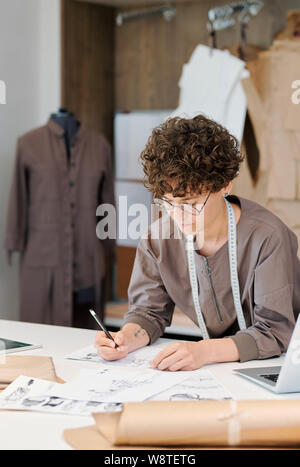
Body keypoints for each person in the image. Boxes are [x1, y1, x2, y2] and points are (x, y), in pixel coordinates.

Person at [95, 115, 300, 371]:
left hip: (278, 366)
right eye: (168, 203)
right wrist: (126, 338)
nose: (179, 216)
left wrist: (204, 351)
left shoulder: (268, 237)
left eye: (191, 204)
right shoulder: (157, 239)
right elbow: (148, 313)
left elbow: (275, 331)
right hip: (215, 367)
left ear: (225, 185)